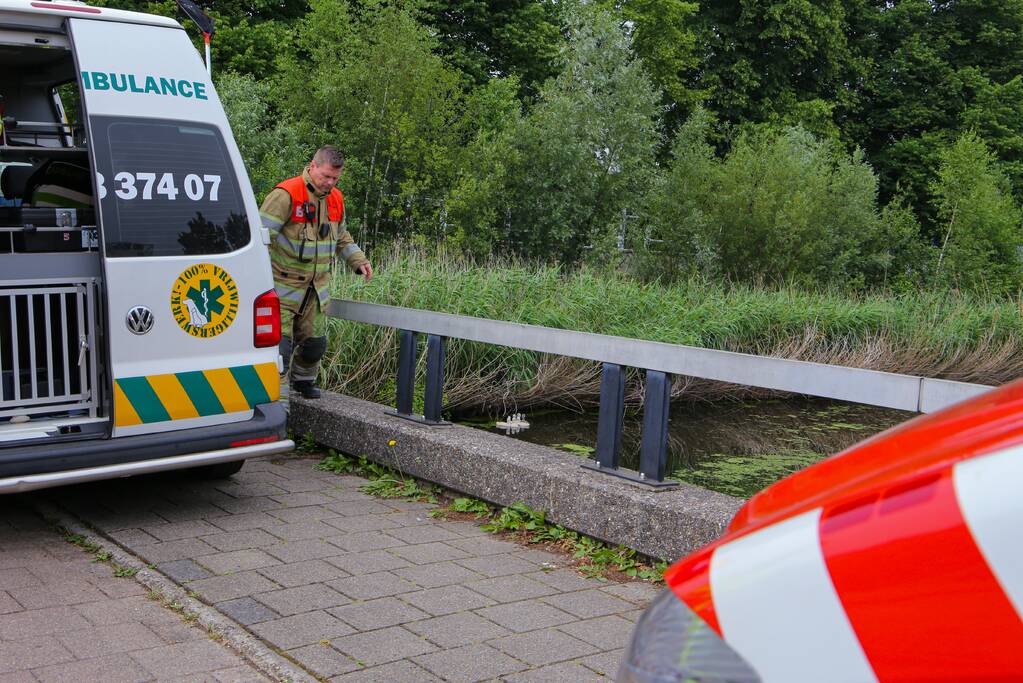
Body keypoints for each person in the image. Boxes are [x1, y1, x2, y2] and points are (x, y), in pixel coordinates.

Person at [259, 146, 372, 400]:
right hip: (282, 289)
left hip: (316, 290)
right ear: (312, 166)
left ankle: (303, 382)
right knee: (280, 350)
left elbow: (341, 235)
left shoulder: (336, 199)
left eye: (335, 179)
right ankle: (278, 407)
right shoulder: (286, 194)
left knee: (315, 345)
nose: (330, 183)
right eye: (326, 177)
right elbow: (260, 239)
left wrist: (358, 260)